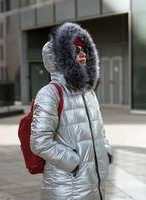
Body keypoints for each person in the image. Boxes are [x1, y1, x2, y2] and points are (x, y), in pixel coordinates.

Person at [30, 22, 113, 200]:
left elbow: (100, 129)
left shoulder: (88, 91)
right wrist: (74, 163)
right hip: (67, 186)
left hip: (94, 183)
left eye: (84, 49)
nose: (82, 54)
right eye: (75, 50)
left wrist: (106, 151)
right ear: (61, 57)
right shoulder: (50, 93)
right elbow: (39, 141)